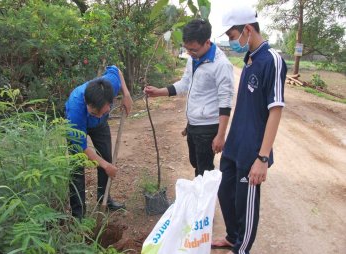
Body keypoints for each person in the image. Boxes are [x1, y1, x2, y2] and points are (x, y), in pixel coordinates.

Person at [211, 5, 287, 254]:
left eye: (233, 37)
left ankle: (241, 249)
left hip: (252, 153)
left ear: (247, 29)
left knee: (246, 202)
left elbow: (275, 110)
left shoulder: (272, 61)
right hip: (234, 147)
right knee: (226, 192)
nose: (233, 42)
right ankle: (233, 237)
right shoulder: (249, 60)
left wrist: (262, 158)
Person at [144, 19, 234, 177]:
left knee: (204, 171)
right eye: (187, 49)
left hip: (207, 127)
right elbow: (185, 83)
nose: (190, 53)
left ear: (207, 42)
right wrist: (159, 92)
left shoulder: (221, 65)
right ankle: (203, 193)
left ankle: (204, 199)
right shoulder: (194, 59)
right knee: (196, 163)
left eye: (193, 50)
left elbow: (225, 102)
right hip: (194, 124)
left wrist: (220, 135)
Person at [65, 65, 133, 219]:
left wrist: (127, 94)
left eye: (101, 111)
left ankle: (104, 199)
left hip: (100, 126)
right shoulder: (76, 109)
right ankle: (78, 214)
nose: (96, 115)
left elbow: (116, 69)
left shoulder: (111, 84)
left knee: (106, 157)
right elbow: (82, 147)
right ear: (87, 103)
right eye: (93, 112)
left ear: (111, 102)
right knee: (77, 167)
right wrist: (105, 165)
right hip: (79, 126)